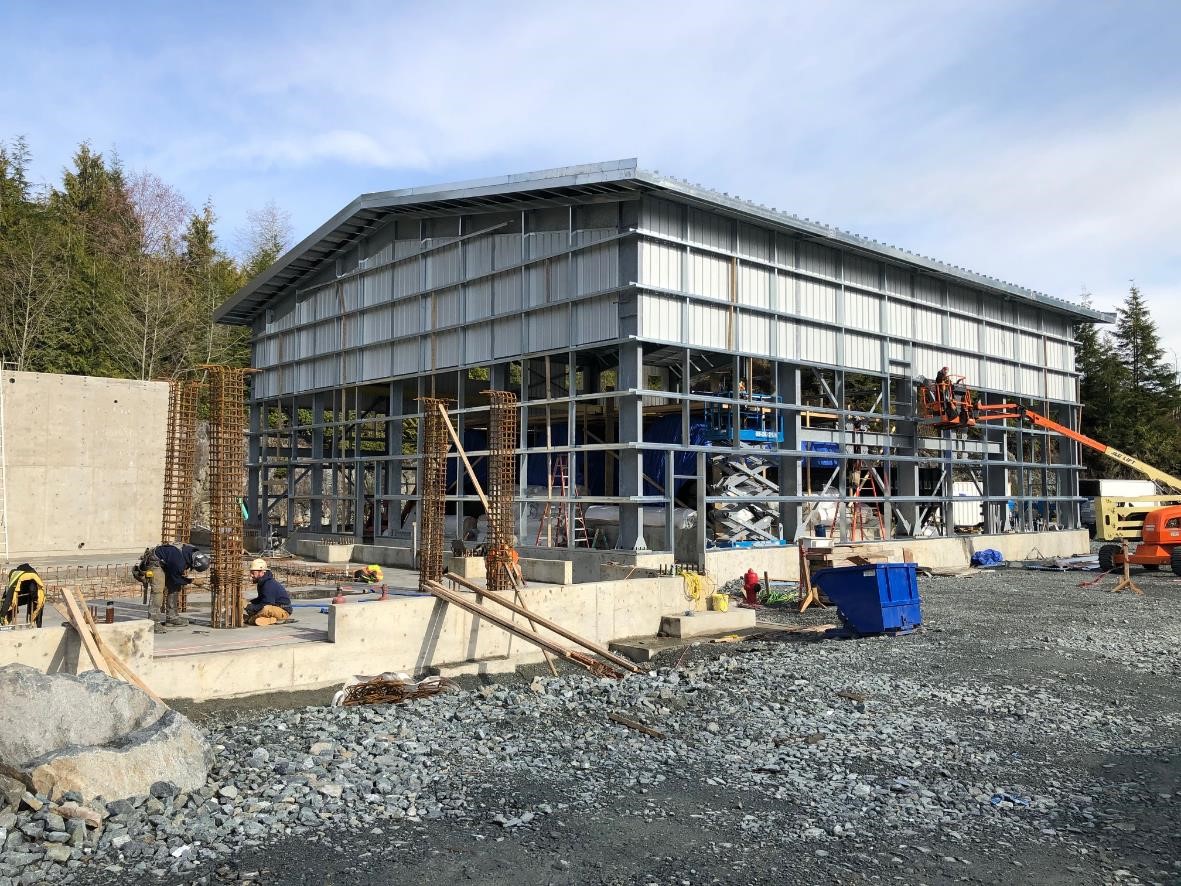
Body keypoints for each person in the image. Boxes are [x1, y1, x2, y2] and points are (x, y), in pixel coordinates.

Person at [136, 543, 210, 633]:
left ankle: (172, 617)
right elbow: (177, 578)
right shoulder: (179, 562)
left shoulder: (194, 552)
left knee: (175, 587)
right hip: (156, 562)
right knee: (158, 590)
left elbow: (176, 578)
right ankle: (153, 622)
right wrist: (193, 581)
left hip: (168, 562)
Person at [245, 558, 293, 626]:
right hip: (274, 607)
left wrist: (253, 607)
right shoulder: (261, 583)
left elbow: (267, 603)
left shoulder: (269, 584)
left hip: (283, 611)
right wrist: (249, 603)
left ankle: (251, 619)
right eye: (251, 573)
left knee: (266, 609)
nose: (251, 575)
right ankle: (269, 619)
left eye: (253, 573)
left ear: (261, 572)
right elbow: (261, 599)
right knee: (248, 604)